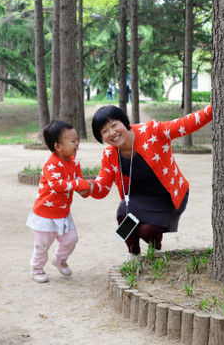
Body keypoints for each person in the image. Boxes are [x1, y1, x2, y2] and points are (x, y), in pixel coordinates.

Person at [88, 104, 213, 256]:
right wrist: (88, 186)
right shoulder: (109, 154)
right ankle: (134, 254)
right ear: (100, 137)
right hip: (140, 196)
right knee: (123, 215)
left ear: (124, 122)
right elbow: (102, 186)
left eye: (114, 125)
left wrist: (212, 109)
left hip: (168, 194)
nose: (112, 133)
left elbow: (184, 124)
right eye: (104, 131)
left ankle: (154, 251)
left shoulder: (151, 132)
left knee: (148, 230)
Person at [26, 119, 92, 283]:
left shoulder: (74, 162)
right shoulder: (51, 165)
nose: (77, 143)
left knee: (71, 239)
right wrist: (81, 184)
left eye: (77, 139)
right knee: (42, 246)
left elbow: (77, 182)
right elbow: (57, 185)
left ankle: (60, 259)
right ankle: (36, 269)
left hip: (63, 213)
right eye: (72, 141)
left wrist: (84, 190)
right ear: (58, 146)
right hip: (45, 214)